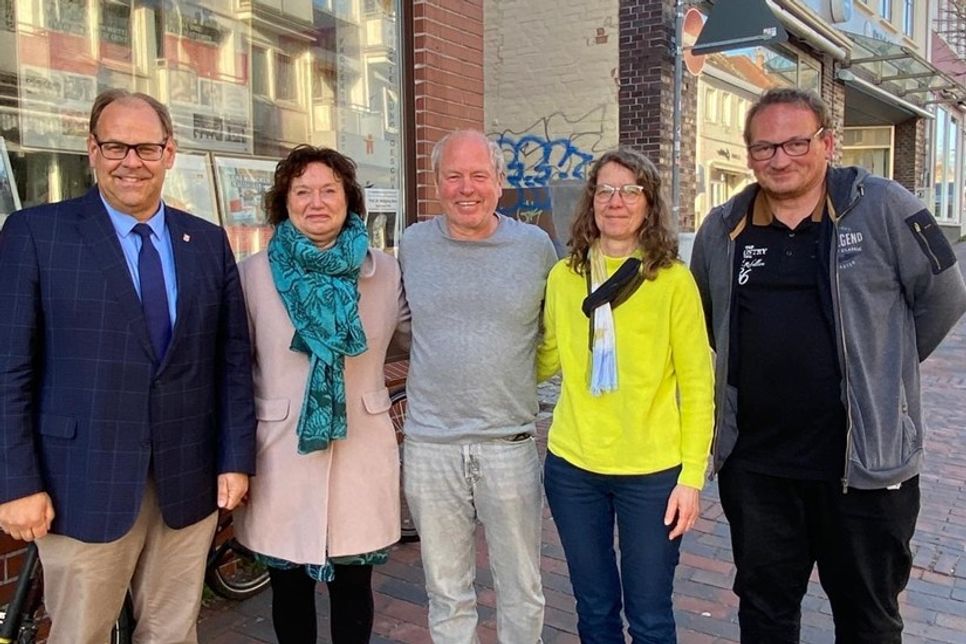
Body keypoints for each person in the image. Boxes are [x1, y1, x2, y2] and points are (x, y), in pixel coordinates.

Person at [691, 87, 966, 643]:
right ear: (748, 154)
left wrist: (882, 369)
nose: (781, 158)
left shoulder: (885, 207)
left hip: (865, 467)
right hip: (759, 469)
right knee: (766, 616)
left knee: (868, 621)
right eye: (765, 147)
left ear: (827, 143)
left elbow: (945, 295)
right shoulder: (723, 228)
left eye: (796, 142)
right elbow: (707, 313)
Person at [0, 89, 256, 643]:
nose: (130, 161)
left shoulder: (207, 243)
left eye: (145, 147)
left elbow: (232, 361)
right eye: (115, 146)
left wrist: (235, 459)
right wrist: (15, 483)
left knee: (171, 632)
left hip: (185, 483)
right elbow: (9, 369)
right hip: (79, 483)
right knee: (80, 635)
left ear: (170, 152)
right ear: (91, 150)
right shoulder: (36, 234)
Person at [232, 145, 409, 644]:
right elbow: (236, 369)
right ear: (283, 201)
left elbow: (416, 340)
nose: (316, 201)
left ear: (349, 199)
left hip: (361, 447)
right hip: (281, 452)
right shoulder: (253, 274)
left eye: (329, 189)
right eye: (302, 190)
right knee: (288, 588)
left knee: (355, 585)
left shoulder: (385, 272)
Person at [537, 148, 714, 643]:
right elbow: (546, 357)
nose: (616, 201)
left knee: (651, 616)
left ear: (648, 203)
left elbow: (699, 385)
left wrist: (692, 478)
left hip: (653, 475)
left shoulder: (674, 282)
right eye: (605, 190)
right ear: (591, 201)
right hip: (574, 469)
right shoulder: (563, 277)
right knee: (594, 611)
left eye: (630, 190)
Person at [399, 129, 557, 643]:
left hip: (508, 444)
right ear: (436, 182)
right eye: (454, 176)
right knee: (447, 592)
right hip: (430, 446)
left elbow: (555, 335)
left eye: (479, 176)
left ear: (499, 181)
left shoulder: (535, 248)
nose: (467, 188)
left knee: (522, 588)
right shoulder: (413, 244)